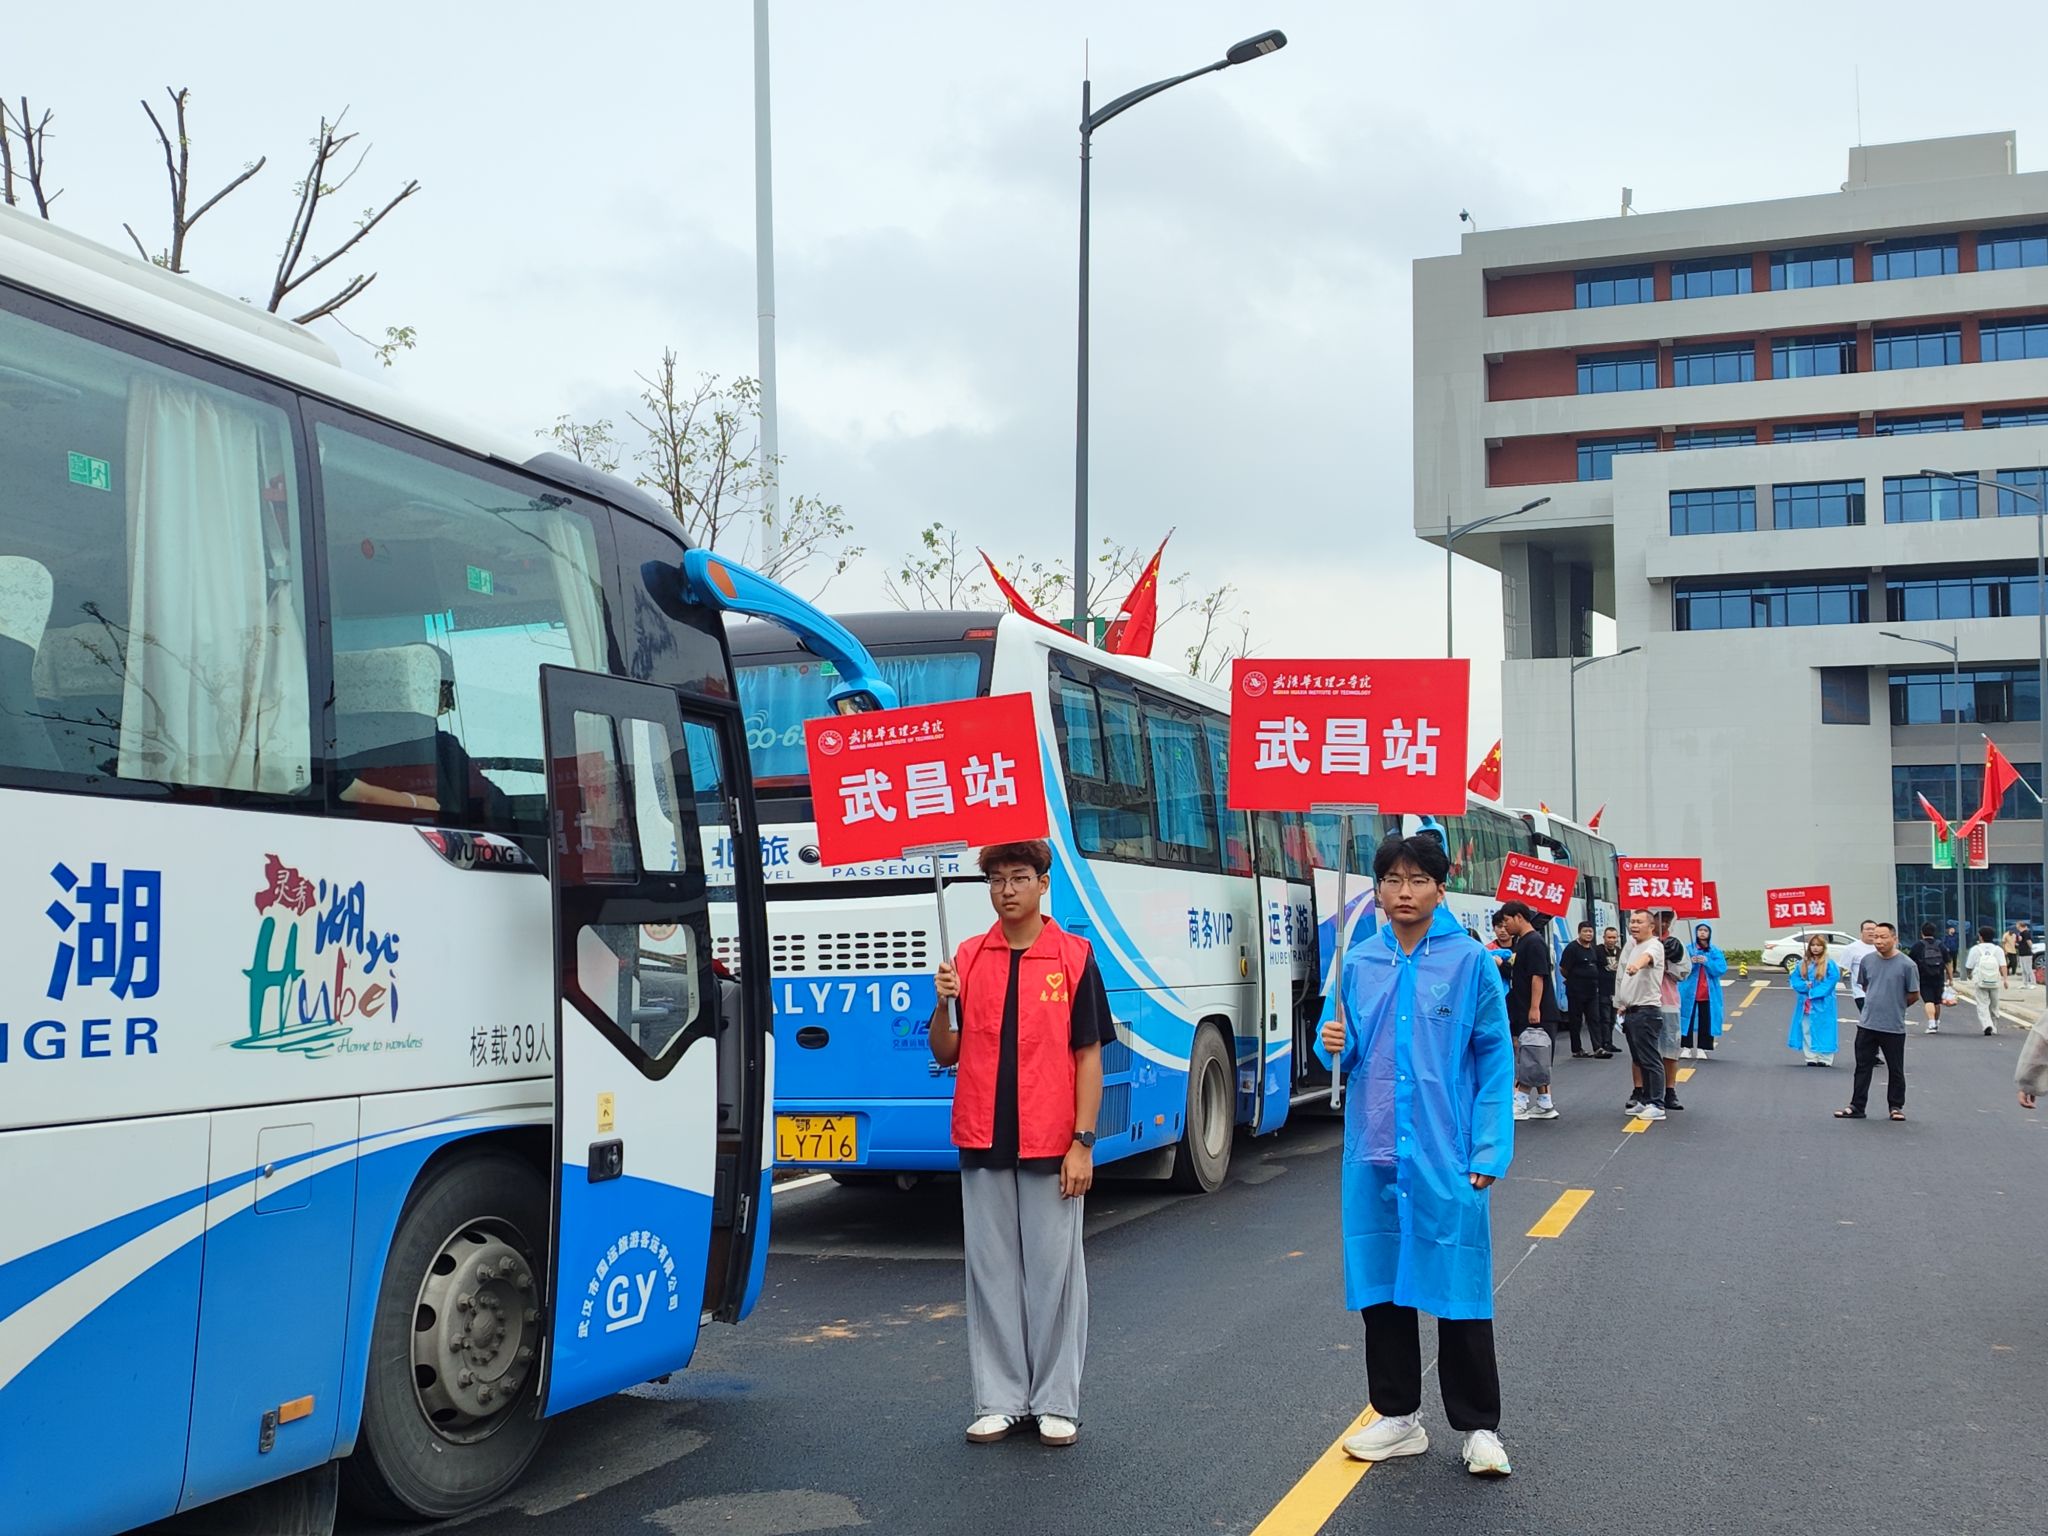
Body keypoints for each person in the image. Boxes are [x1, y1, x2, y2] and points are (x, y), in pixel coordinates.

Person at [1318, 835, 1514, 1477]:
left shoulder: (1470, 962)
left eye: (1418, 880)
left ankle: (1480, 1427)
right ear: (1377, 889)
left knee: (1460, 1286)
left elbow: (1494, 1057)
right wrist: (1330, 1041)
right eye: (1393, 880)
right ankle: (1398, 1416)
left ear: (1440, 888)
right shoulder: (1357, 961)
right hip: (1374, 1150)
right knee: (1383, 1289)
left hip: (1445, 1150)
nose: (1405, 892)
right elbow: (1340, 1053)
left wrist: (1489, 1145)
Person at [930, 839, 1116, 1448]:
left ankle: (1056, 1402)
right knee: (990, 1274)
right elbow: (946, 1052)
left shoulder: (1074, 957)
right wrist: (943, 1003)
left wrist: (1082, 1143)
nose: (1006, 890)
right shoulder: (967, 957)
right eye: (997, 880)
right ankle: (1000, 1400)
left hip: (1050, 1141)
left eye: (1019, 877)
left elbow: (1089, 1056)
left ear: (1042, 884)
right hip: (983, 1137)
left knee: (1055, 1275)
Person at [1834, 922, 1918, 1122]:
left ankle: (1896, 1106)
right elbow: (1865, 986)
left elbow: (1914, 994)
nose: (1878, 941)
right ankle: (1857, 1106)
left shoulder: (1907, 965)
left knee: (1895, 1069)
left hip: (1893, 1026)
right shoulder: (1867, 960)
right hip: (1867, 1024)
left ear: (1895, 939)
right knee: (1862, 1067)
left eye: (1883, 937)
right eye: (1875, 937)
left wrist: (1895, 1006)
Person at [1498, 901, 1561, 1120]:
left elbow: (1537, 976)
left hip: (1537, 1011)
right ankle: (1544, 1102)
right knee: (1536, 1054)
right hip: (1523, 1008)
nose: (1505, 926)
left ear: (1519, 917)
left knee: (1532, 1054)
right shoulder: (1521, 942)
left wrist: (1535, 1008)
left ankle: (1521, 1100)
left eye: (1507, 921)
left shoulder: (1534, 942)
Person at [1617, 910, 1669, 1120]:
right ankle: (1646, 1100)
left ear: (1651, 926)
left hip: (1646, 1012)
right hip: (1632, 1011)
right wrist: (1623, 1004)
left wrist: (1635, 967)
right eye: (1632, 921)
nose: (1634, 925)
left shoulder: (1654, 945)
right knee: (1639, 1059)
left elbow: (1646, 959)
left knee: (1650, 1059)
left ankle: (1657, 1103)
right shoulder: (1634, 945)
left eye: (1639, 922)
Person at [1653, 913, 1691, 1111]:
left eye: (1668, 920)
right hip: (1644, 1003)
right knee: (1644, 1052)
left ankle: (1670, 1091)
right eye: (1661, 919)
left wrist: (1668, 961)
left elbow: (1683, 973)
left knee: (1670, 1050)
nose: (1664, 923)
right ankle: (1644, 1091)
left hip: (1668, 1002)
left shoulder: (1677, 944)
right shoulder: (1639, 943)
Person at [1786, 934, 1840, 1066]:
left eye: (1818, 945)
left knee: (1825, 1029)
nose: (1815, 948)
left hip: (1823, 1003)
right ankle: (1811, 1056)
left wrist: (1814, 992)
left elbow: (1831, 982)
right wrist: (1805, 986)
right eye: (1813, 945)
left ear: (1823, 947)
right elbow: (1794, 980)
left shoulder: (1830, 964)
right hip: (1806, 1003)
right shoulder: (1802, 964)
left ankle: (1825, 1058)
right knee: (1807, 1029)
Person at [1679, 923, 1727, 1059]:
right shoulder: (1688, 949)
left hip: (1708, 993)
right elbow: (1680, 967)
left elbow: (1721, 969)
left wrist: (1707, 962)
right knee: (1686, 1018)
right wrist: (1691, 962)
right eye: (1700, 930)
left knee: (1706, 1020)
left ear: (1709, 933)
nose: (1702, 933)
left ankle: (1702, 1048)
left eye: (1705, 930)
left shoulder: (1715, 951)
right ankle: (1685, 1047)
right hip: (1689, 992)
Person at [1559, 920, 1605, 1059]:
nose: (1588, 934)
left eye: (1590, 931)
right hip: (1576, 991)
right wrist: (1574, 979)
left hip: (1592, 991)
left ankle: (1598, 1048)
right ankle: (1577, 1049)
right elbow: (1563, 968)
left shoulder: (1593, 949)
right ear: (1579, 933)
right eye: (1585, 931)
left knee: (1594, 1019)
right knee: (1576, 1021)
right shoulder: (1572, 948)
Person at [1908, 922, 1951, 1034]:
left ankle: (1931, 1023)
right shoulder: (1940, 945)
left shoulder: (1918, 946)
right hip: (1939, 977)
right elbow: (1948, 962)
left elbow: (1910, 963)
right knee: (1937, 1002)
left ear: (1922, 932)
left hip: (1924, 977)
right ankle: (1936, 1022)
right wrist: (1950, 978)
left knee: (1928, 1001)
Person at [1964, 927, 2005, 1036]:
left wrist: (1969, 975)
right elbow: (2003, 965)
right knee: (1994, 1004)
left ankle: (1987, 1024)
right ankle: (1994, 1026)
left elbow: (1969, 966)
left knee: (1982, 1003)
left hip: (1980, 980)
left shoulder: (1975, 949)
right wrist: (2005, 979)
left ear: (1980, 937)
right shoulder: (1998, 949)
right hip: (1995, 980)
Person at [1595, 925, 1623, 1056]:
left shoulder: (1620, 951)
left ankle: (1610, 1042)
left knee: (1612, 1018)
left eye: (1614, 937)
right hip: (1602, 989)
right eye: (1609, 937)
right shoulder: (1598, 950)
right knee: (1604, 1018)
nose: (1611, 940)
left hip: (1615, 989)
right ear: (1604, 938)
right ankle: (1604, 1042)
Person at [1842, 921, 1878, 1016]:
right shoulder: (1851, 948)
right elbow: (1843, 969)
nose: (1871, 931)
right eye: (1868, 929)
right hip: (1861, 993)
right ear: (1861, 932)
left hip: (1881, 992)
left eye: (1873, 929)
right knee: (1868, 1018)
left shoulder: (1881, 947)